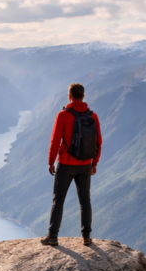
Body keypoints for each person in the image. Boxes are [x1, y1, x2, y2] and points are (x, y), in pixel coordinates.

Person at [40, 83, 102, 247]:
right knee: (85, 200)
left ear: (69, 96)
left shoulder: (63, 115)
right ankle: (86, 237)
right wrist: (94, 163)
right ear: (83, 96)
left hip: (66, 164)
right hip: (85, 164)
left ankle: (53, 236)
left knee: (58, 200)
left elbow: (55, 141)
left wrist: (51, 162)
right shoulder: (93, 116)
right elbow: (98, 142)